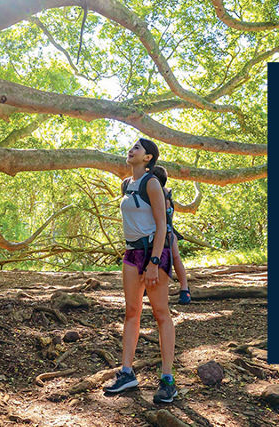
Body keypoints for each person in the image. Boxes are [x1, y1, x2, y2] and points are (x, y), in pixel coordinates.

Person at [103, 138, 177, 404]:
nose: (131, 150)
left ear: (148, 158)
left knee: (160, 313)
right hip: (131, 253)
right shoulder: (126, 184)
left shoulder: (152, 183)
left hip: (153, 252)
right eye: (131, 147)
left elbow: (161, 226)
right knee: (131, 311)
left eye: (137, 148)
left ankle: (167, 379)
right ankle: (126, 373)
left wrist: (154, 262)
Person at [150, 166, 191, 304]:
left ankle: (185, 289)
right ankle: (148, 286)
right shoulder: (157, 193)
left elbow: (167, 214)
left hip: (167, 231)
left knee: (175, 257)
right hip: (159, 231)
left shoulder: (163, 194)